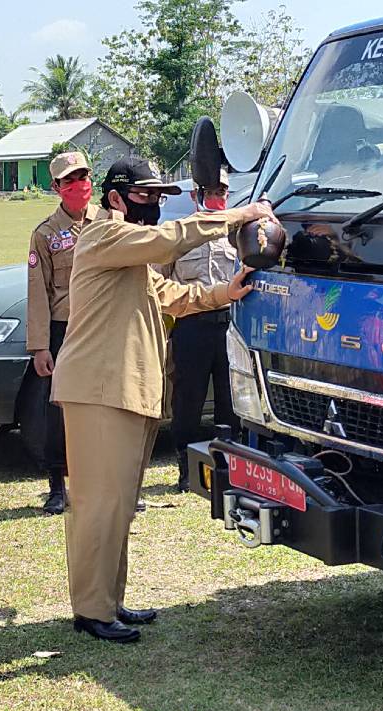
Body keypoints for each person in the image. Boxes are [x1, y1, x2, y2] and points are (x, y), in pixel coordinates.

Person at [51, 158, 274, 644]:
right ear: (115, 198)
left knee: (121, 504)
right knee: (99, 505)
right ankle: (91, 610)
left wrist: (223, 292)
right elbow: (171, 239)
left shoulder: (131, 257)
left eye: (157, 196)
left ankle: (109, 601)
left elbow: (172, 294)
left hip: (127, 391)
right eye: (143, 195)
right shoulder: (102, 237)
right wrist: (239, 215)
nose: (152, 204)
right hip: (98, 391)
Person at [158, 169, 241, 492]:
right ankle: (185, 467)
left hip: (228, 325)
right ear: (195, 196)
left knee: (229, 400)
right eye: (209, 190)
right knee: (187, 400)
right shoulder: (178, 235)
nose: (216, 196)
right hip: (190, 325)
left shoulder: (238, 233)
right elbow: (160, 281)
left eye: (222, 190)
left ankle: (226, 468)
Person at [26, 151, 98, 515]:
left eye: (83, 176)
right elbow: (37, 291)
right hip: (64, 328)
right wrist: (40, 346)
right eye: (69, 180)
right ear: (56, 187)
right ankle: (57, 485)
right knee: (59, 409)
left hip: (102, 326)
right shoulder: (46, 234)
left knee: (105, 407)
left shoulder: (111, 221)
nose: (78, 185)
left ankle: (106, 482)